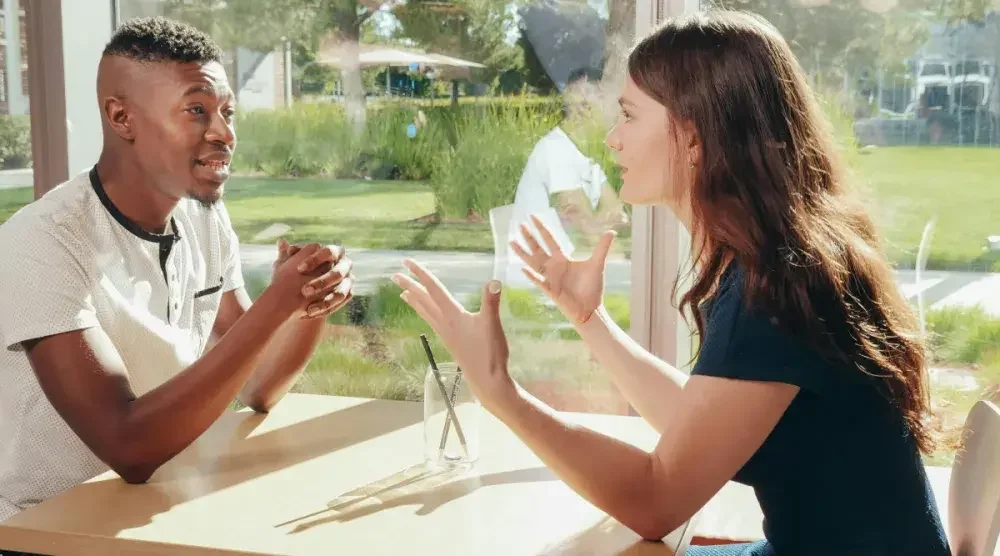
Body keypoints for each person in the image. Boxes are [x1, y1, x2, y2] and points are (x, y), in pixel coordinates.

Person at [394, 11, 950, 555]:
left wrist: (501, 394)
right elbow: (703, 423)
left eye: (630, 116)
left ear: (695, 137)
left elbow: (657, 502)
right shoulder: (778, 258)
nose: (612, 139)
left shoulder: (774, 287)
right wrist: (590, 320)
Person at [0, 17, 355, 522]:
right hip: (43, 529)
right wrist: (277, 303)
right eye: (197, 110)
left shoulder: (203, 219)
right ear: (122, 118)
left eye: (227, 112)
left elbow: (257, 385)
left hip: (158, 509)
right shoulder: (43, 242)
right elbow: (128, 445)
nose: (225, 133)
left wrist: (309, 299)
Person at [502, 67, 628, 288]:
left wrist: (598, 223)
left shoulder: (587, 158)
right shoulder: (556, 150)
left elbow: (618, 215)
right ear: (582, 106)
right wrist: (625, 269)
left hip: (564, 275)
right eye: (602, 99)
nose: (613, 113)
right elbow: (585, 225)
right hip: (537, 284)